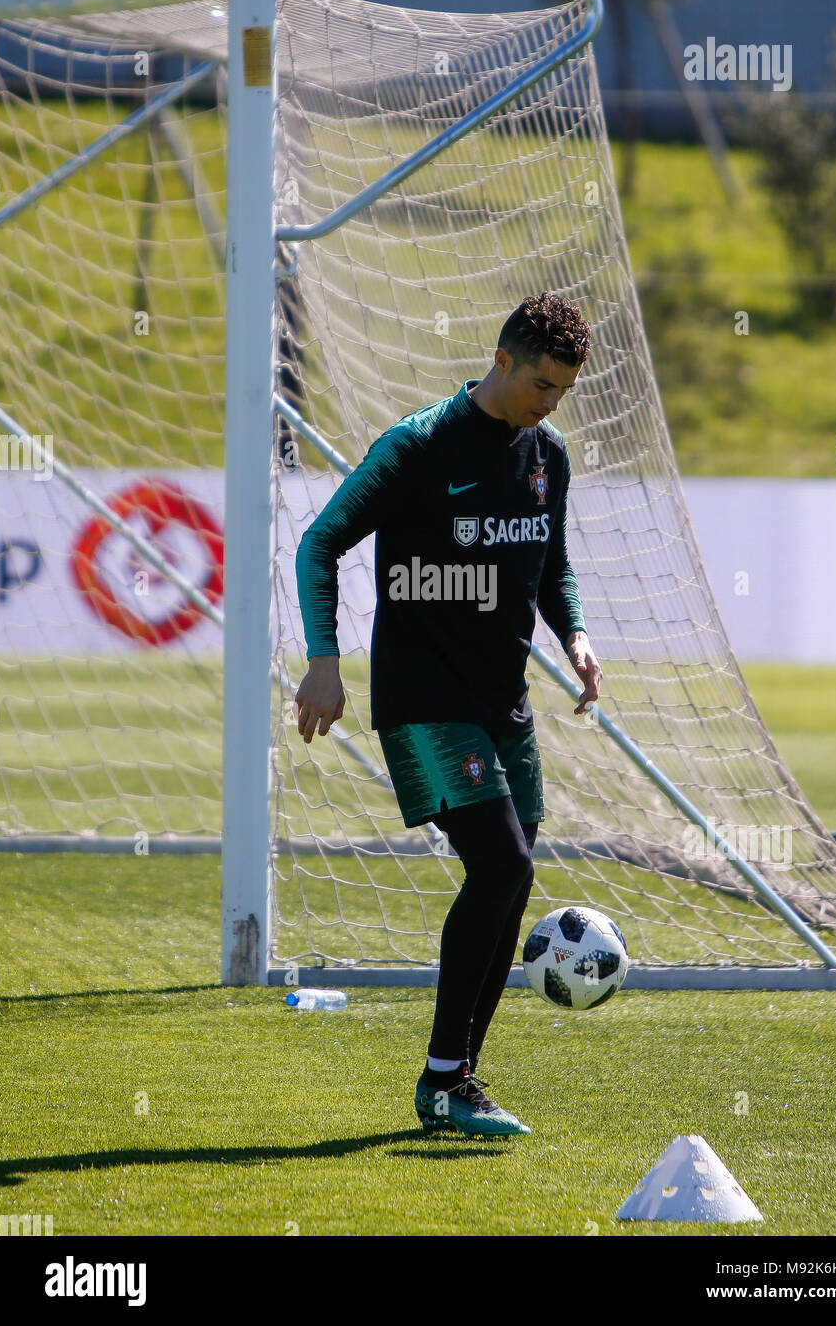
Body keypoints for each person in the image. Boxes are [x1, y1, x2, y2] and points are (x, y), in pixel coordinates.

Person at [294, 292, 604, 1138]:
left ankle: (457, 1080)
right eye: (542, 383)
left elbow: (552, 565)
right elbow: (319, 543)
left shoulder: (550, 455)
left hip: (505, 705)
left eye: (563, 390)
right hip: (425, 702)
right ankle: (442, 1079)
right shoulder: (417, 446)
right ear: (501, 361)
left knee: (510, 884)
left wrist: (574, 634)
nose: (551, 401)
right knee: (503, 868)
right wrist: (326, 658)